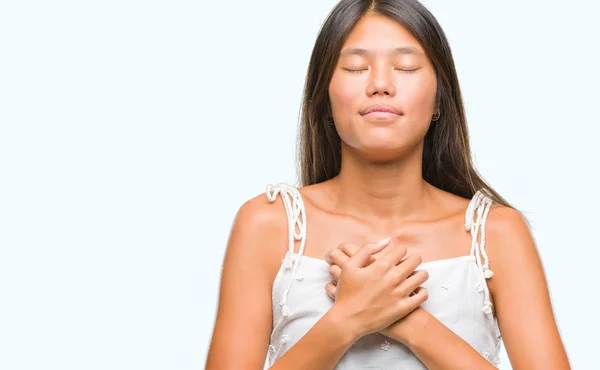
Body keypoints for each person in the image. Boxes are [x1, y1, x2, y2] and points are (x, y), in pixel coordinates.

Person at [206, 0, 570, 369]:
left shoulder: (497, 232)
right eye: (356, 68)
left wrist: (408, 319)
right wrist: (347, 319)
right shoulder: (268, 224)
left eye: (406, 67)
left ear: (439, 98)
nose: (380, 84)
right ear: (325, 97)